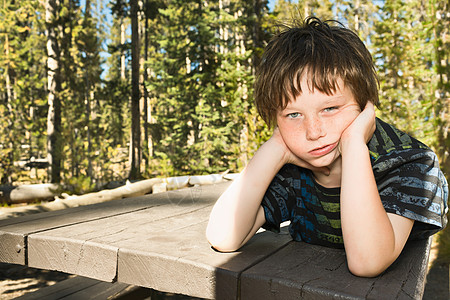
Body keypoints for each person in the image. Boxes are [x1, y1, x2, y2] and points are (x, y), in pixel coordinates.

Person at [206, 16, 448, 277]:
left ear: (366, 106)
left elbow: (368, 261)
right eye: (293, 115)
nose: (313, 132)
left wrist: (354, 144)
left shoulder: (409, 164)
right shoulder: (291, 173)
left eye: (330, 108)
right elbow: (223, 236)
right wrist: (275, 148)